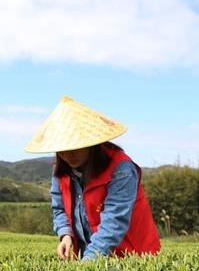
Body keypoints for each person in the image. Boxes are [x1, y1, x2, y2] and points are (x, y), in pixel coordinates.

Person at [24, 96, 160, 261]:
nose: (68, 155)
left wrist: (87, 263)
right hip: (91, 257)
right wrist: (65, 234)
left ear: (91, 143)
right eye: (62, 149)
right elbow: (59, 209)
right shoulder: (61, 171)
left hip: (131, 257)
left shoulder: (121, 169)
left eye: (74, 147)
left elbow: (114, 222)